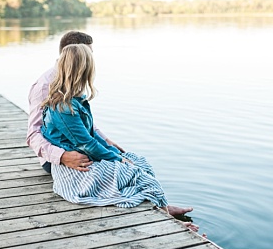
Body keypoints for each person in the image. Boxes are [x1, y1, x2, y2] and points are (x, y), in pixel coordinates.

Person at [26, 31, 198, 232]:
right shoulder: (48, 89)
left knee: (136, 161)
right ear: (77, 60)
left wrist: (109, 144)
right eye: (90, 54)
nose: (93, 60)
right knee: (128, 173)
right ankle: (164, 218)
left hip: (82, 149)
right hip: (62, 159)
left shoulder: (71, 89)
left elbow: (84, 129)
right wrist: (63, 156)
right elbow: (34, 135)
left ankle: (162, 205)